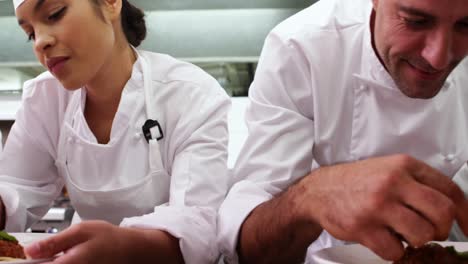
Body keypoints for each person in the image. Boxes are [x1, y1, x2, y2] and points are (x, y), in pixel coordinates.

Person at [217, 0, 468, 263]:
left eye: (465, 25)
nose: (437, 58)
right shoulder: (303, 47)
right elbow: (249, 250)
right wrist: (311, 195)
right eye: (415, 21)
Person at [0, 0, 230, 263]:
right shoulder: (45, 97)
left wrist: (125, 246)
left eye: (55, 14)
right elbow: (17, 186)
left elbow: (198, 224)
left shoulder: (191, 95)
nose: (40, 42)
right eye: (30, 33)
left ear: (110, 3)